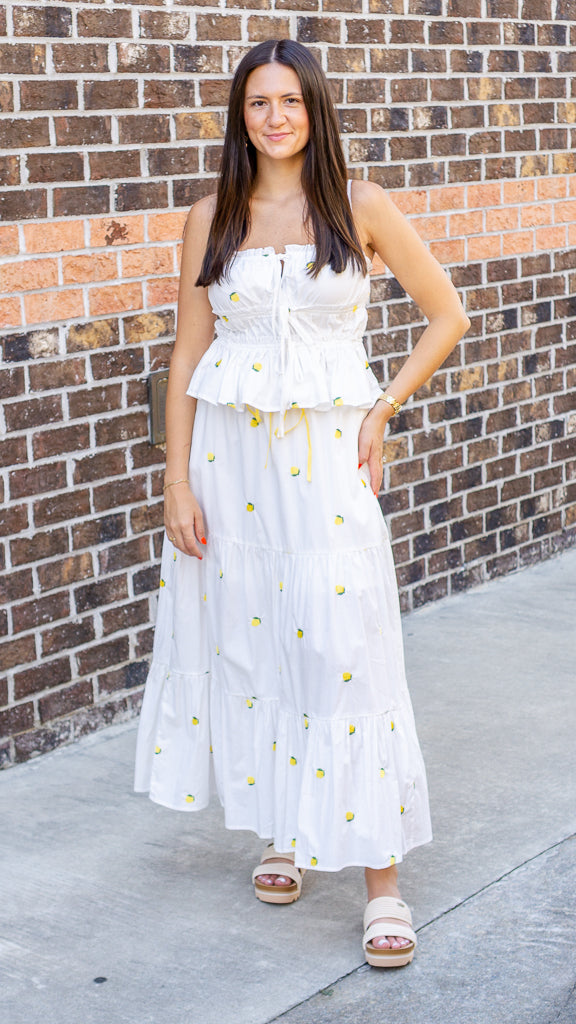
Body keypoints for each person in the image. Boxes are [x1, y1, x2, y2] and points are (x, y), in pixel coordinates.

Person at [134, 38, 470, 968]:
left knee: (344, 650)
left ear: (315, 109)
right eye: (257, 103)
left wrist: (381, 409)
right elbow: (189, 353)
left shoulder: (359, 205)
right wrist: (176, 479)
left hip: (326, 465)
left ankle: (382, 882)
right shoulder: (211, 217)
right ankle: (285, 829)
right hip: (231, 469)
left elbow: (448, 313)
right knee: (254, 644)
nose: (274, 117)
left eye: (289, 100)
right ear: (239, 117)